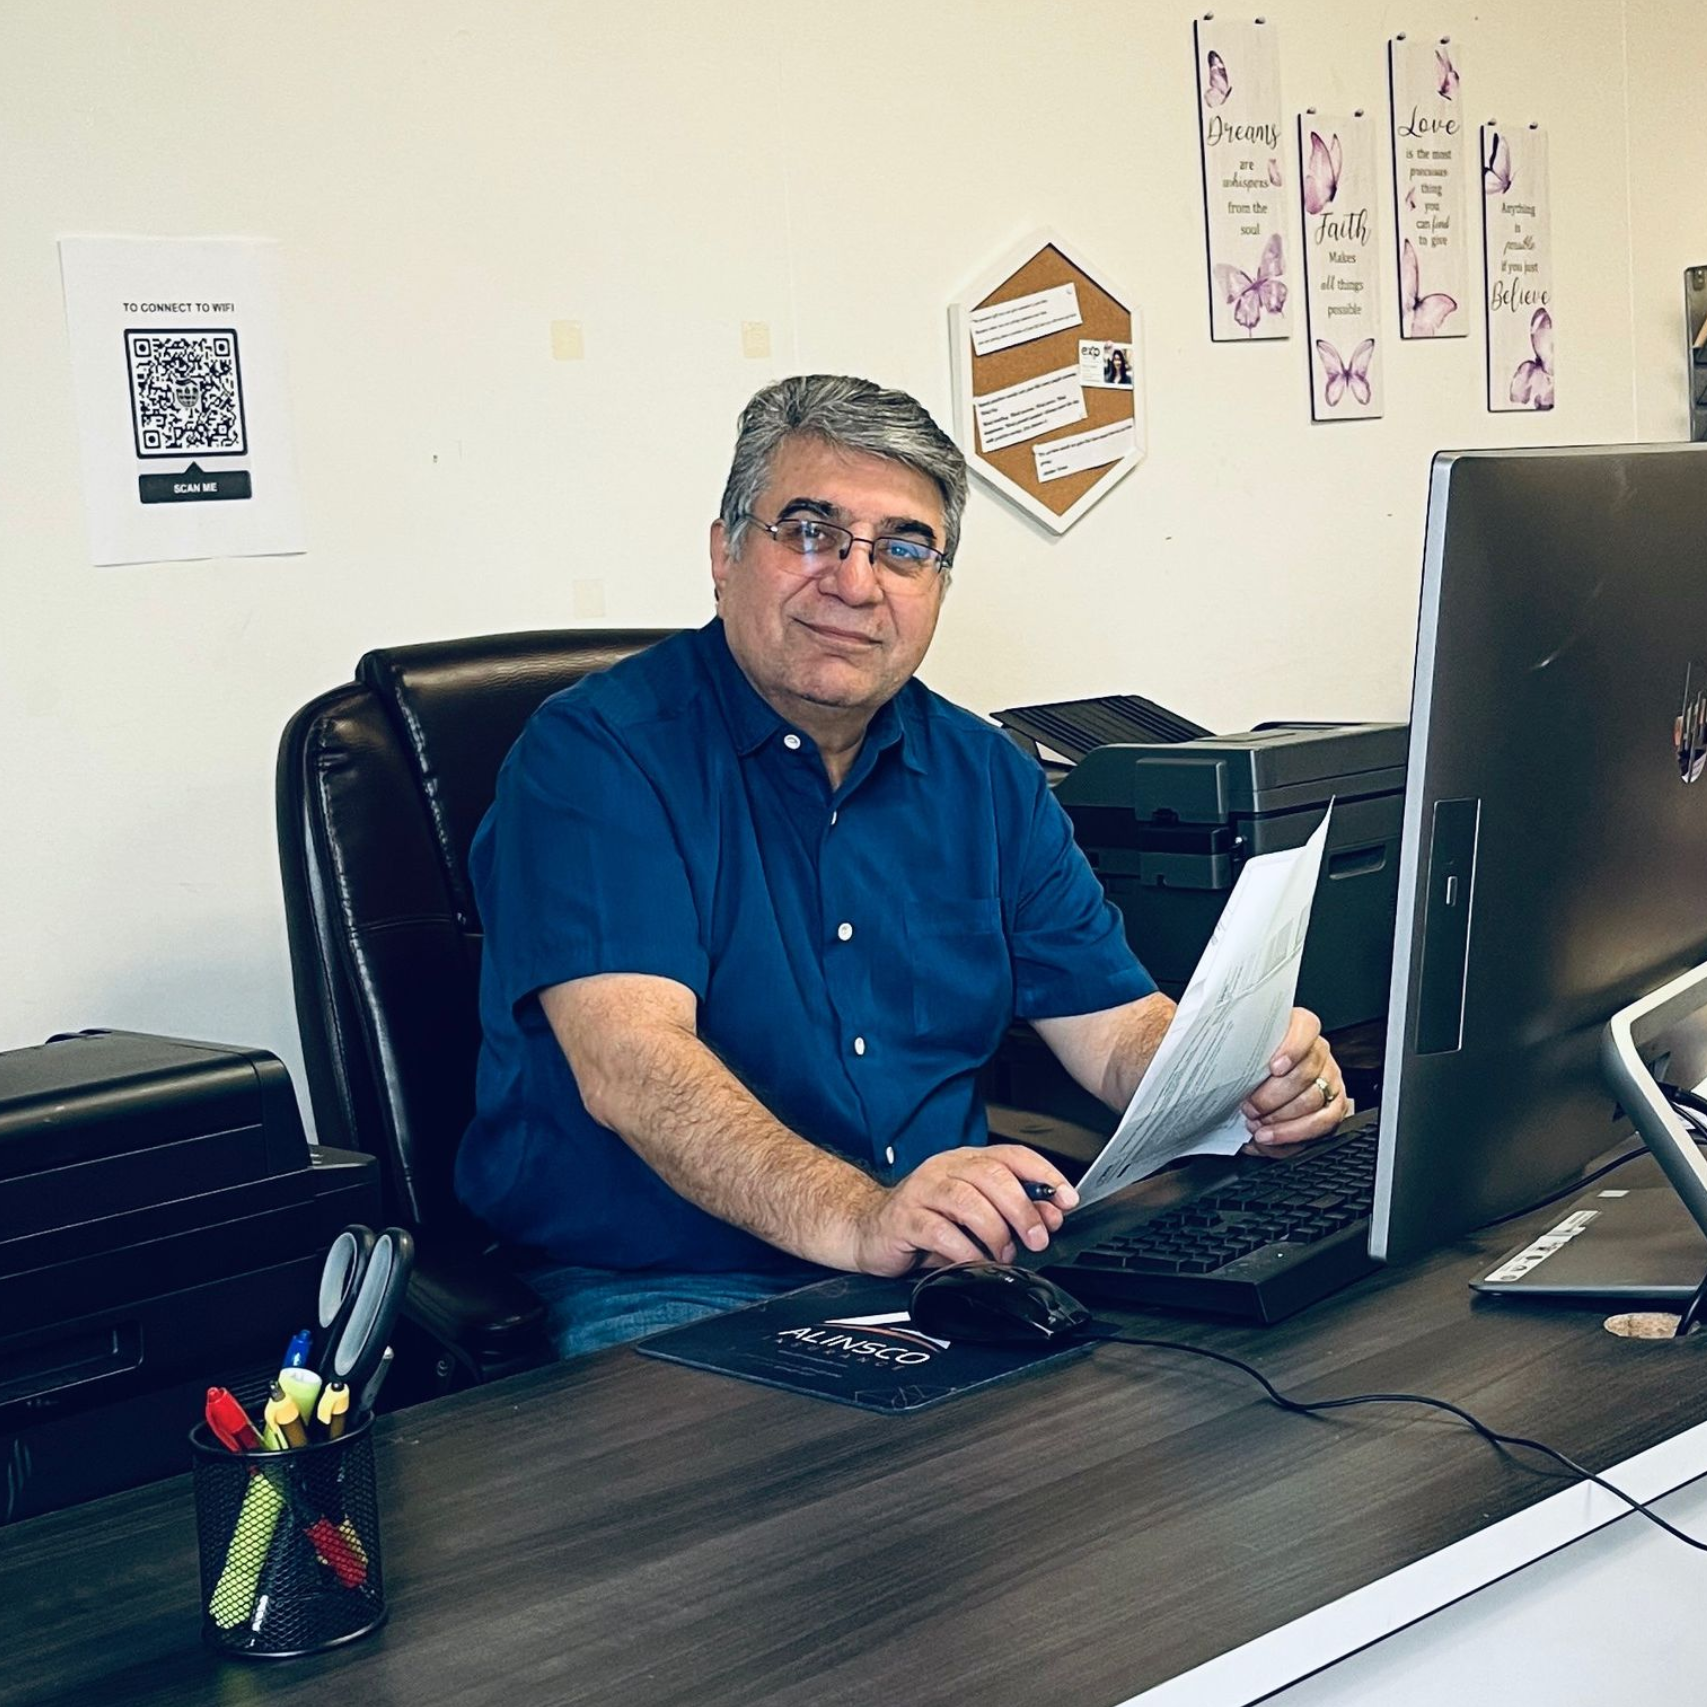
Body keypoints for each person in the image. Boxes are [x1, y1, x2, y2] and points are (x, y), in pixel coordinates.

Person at [454, 374, 1344, 1356]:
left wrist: (1239, 1070)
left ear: (937, 588)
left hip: (952, 1268)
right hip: (672, 1282)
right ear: (724, 551)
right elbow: (634, 1067)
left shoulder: (985, 776)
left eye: (904, 549)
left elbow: (1116, 1031)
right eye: (808, 530)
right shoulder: (596, 757)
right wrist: (861, 1218)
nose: (854, 580)